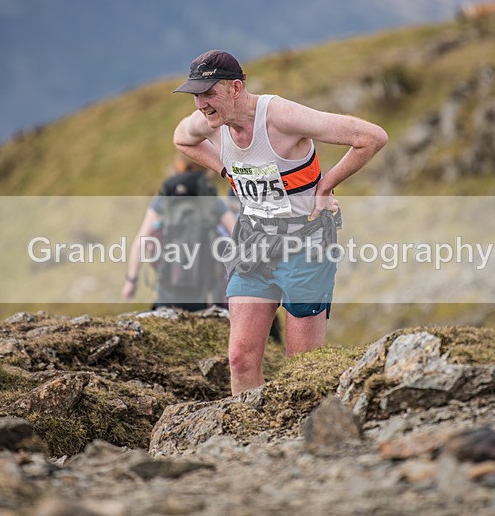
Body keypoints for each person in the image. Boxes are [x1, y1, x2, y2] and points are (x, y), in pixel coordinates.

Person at [172, 50, 388, 394]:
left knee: (301, 366)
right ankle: (250, 438)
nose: (201, 104)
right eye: (196, 95)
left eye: (209, 93)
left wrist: (327, 184)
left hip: (305, 242)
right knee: (240, 358)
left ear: (236, 88)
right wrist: (227, 171)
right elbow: (182, 139)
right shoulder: (209, 122)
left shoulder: (282, 116)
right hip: (252, 241)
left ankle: (300, 440)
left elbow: (372, 137)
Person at [121, 152, 235, 311]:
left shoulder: (164, 199)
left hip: (167, 287)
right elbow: (237, 235)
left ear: (178, 164)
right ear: (206, 167)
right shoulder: (212, 201)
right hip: (205, 290)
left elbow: (142, 241)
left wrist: (131, 281)